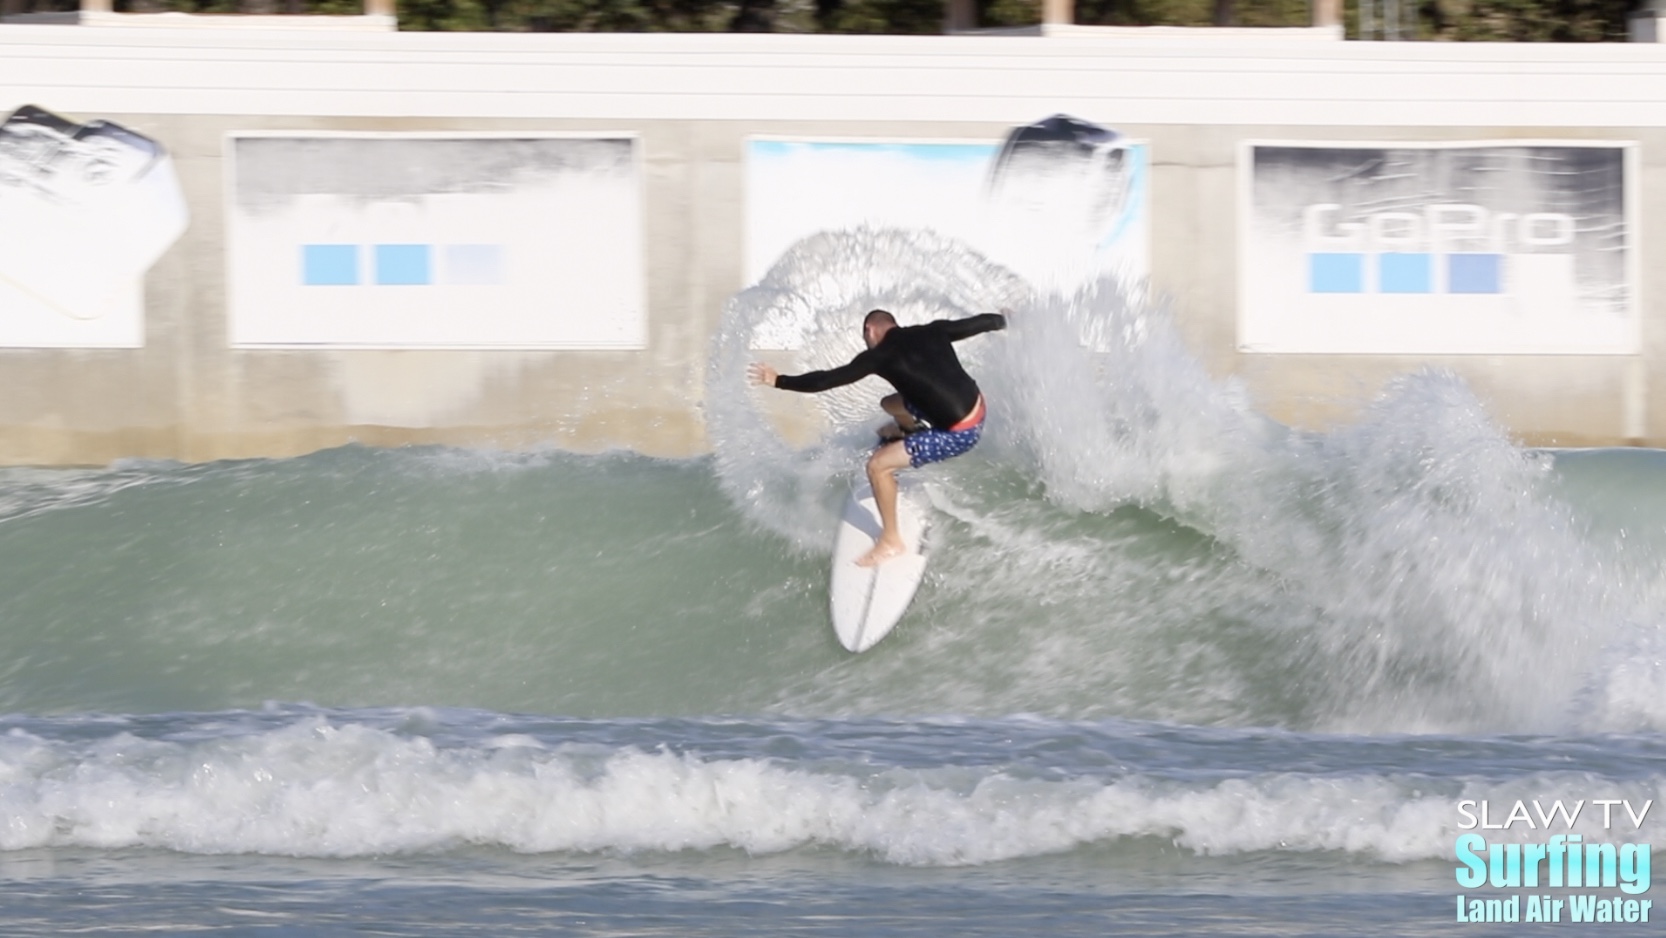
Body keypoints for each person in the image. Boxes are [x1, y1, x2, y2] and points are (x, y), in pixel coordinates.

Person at [748, 307, 1008, 567]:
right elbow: (980, 323)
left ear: (869, 331)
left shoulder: (879, 356)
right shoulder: (933, 330)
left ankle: (891, 540)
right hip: (978, 405)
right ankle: (909, 430)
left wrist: (778, 380)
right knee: (891, 403)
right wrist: (1005, 319)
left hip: (959, 433)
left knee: (877, 466)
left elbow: (826, 380)